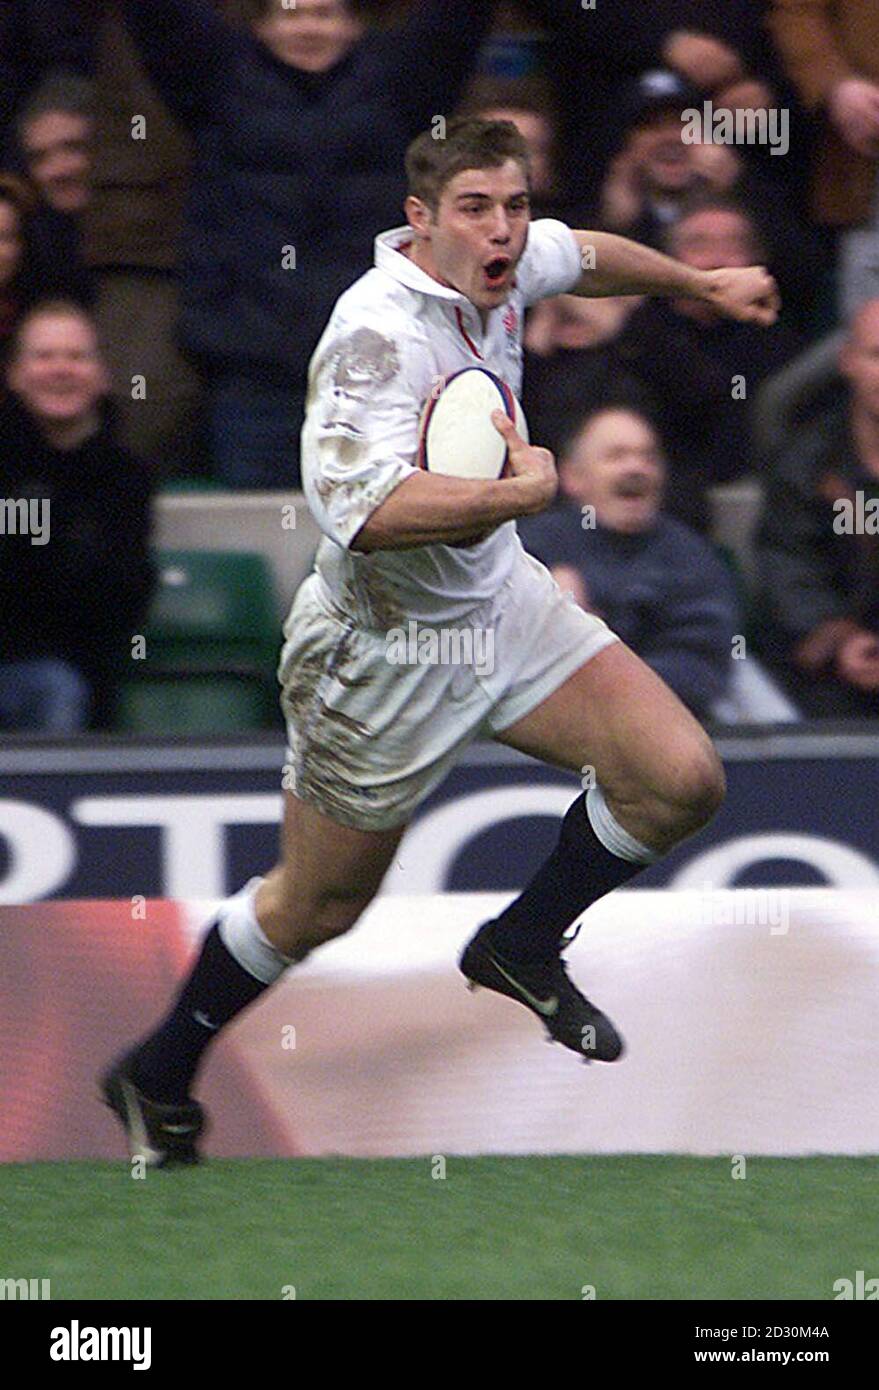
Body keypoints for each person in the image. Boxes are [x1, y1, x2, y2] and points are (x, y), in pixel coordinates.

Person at [101, 117, 779, 1167]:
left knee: (681, 778)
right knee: (316, 905)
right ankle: (157, 1069)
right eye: (477, 208)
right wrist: (518, 495)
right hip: (382, 648)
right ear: (421, 221)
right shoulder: (377, 331)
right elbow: (359, 508)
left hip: (499, 602)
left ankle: (519, 941)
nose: (505, 227)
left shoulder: (507, 261)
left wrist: (706, 282)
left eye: (513, 204)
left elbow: (587, 254)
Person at [119, 0, 498, 488]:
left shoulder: (398, 83)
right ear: (262, 25)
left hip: (374, 367)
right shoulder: (220, 80)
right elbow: (160, 19)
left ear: (355, 23)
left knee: (379, 529)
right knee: (263, 528)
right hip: (254, 366)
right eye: (291, 14)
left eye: (325, 14)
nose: (308, 28)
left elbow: (456, 21)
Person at [519, 407, 738, 722]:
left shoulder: (690, 556)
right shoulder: (530, 550)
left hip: (665, 725)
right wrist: (544, 612)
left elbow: (702, 668)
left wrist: (590, 653)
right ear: (572, 476)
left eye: (648, 457)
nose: (636, 467)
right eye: (616, 456)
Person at [0, 300, 154, 732]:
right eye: (44, 356)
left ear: (102, 375)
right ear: (15, 374)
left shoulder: (127, 477)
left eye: (76, 356)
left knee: (55, 688)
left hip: (78, 676)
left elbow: (121, 597)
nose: (60, 369)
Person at [611, 192, 802, 531]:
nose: (717, 259)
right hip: (652, 505)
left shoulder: (775, 342)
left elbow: (733, 422)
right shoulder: (637, 334)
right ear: (667, 260)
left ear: (757, 262)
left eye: (733, 244)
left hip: (747, 504)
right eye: (698, 244)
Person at [755, 299, 879, 718]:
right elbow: (787, 562)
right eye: (876, 355)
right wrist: (839, 639)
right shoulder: (805, 464)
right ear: (848, 361)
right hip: (829, 673)